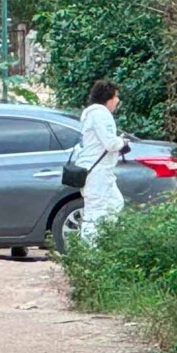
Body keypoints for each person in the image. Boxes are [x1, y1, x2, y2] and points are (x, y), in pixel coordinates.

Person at [76, 79, 129, 243]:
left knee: (115, 203)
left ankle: (105, 241)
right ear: (108, 97)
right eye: (115, 97)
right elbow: (110, 143)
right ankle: (91, 251)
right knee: (95, 211)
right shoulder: (100, 114)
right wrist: (123, 143)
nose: (117, 100)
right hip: (97, 173)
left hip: (98, 171)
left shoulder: (91, 114)